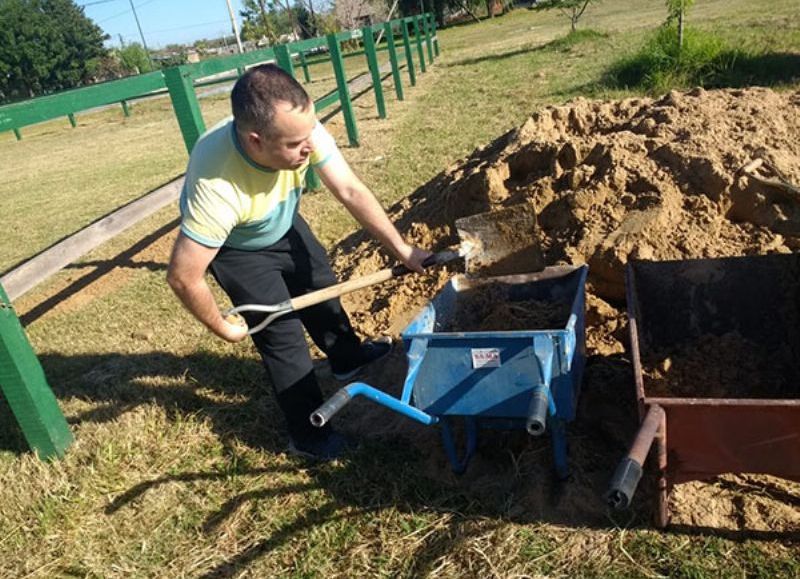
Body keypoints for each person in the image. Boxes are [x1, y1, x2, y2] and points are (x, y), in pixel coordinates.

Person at [167, 64, 430, 459]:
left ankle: (346, 357)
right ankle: (310, 437)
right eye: (295, 144)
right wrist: (223, 327)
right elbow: (183, 277)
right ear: (255, 141)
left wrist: (404, 250)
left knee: (319, 283)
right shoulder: (217, 188)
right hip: (238, 247)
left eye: (309, 135)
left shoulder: (299, 129)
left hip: (280, 220)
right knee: (283, 339)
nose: (309, 148)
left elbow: (350, 190)